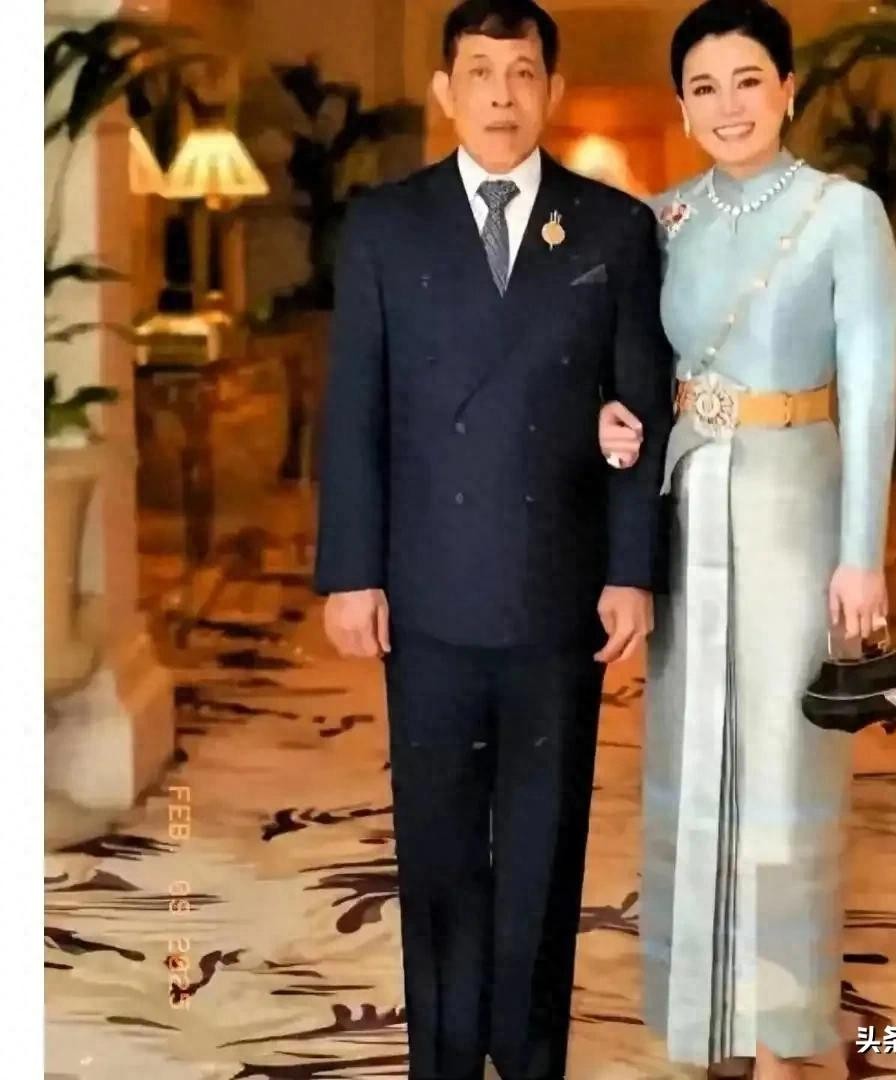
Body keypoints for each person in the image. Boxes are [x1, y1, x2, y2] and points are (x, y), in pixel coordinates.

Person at [314, 2, 673, 1078]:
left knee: (543, 850)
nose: (503, 96)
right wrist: (351, 573)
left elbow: (638, 410)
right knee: (436, 850)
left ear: (552, 90)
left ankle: (528, 1060)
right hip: (426, 589)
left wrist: (630, 570)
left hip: (558, 589)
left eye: (523, 73)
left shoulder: (613, 228)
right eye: (481, 72)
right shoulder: (386, 224)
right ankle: (443, 1060)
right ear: (446, 91)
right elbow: (355, 411)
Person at [598, 2, 896, 1077]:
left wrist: (862, 552)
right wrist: (616, 416)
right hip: (689, 507)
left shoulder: (843, 213)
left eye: (748, 80)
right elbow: (634, 367)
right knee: (695, 763)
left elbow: (871, 393)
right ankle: (707, 1020)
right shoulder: (661, 218)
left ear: (787, 91)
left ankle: (779, 1039)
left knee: (782, 770)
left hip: (796, 512)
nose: (728, 105)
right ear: (682, 107)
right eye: (704, 87)